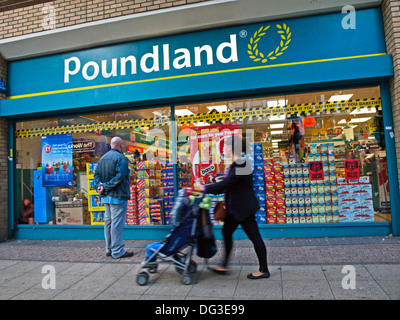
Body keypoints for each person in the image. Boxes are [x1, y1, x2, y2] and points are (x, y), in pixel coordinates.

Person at [195, 136, 270, 279]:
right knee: (226, 232)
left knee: (255, 237)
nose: (223, 149)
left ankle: (263, 270)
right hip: (235, 209)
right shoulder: (237, 164)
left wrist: (204, 188)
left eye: (225, 146)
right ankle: (223, 266)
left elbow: (227, 183)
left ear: (232, 148)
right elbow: (228, 185)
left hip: (244, 209)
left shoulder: (242, 164)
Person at [94, 137, 133, 259]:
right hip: (118, 196)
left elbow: (96, 176)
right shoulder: (121, 158)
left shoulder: (102, 159)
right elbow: (120, 177)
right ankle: (117, 251)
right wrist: (104, 186)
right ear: (120, 145)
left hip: (106, 197)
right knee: (116, 224)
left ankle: (109, 248)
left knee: (108, 223)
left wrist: (99, 186)